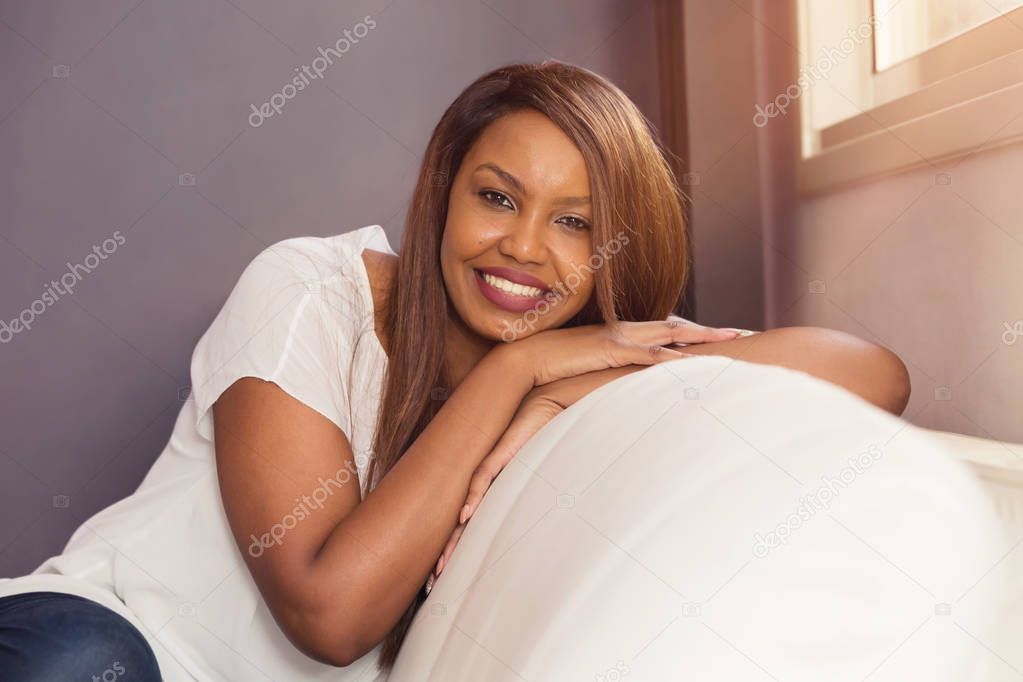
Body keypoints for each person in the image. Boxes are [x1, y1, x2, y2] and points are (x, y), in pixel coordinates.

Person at [0, 60, 910, 680]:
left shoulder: (597, 377)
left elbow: (870, 372)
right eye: (497, 197)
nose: (520, 247)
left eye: (576, 222)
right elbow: (329, 611)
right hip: (115, 643)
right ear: (445, 196)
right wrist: (516, 378)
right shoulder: (314, 289)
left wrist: (561, 386)